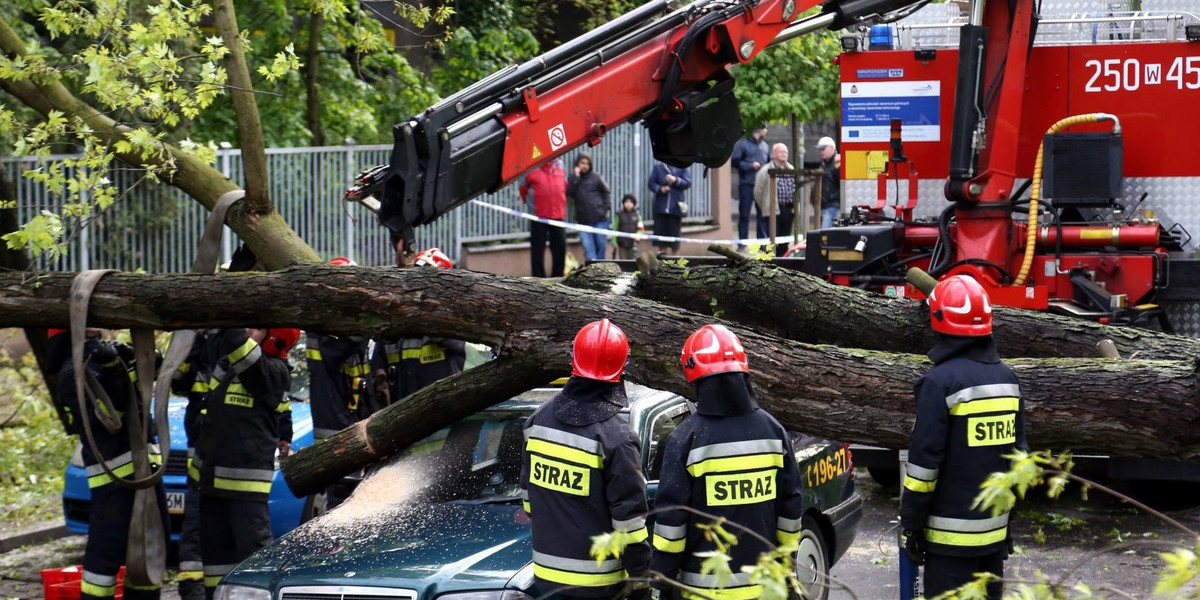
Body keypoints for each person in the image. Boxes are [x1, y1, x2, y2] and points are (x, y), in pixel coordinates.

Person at [651, 324, 806, 600]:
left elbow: (671, 526)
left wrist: (662, 584)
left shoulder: (685, 439)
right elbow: (791, 510)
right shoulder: (774, 431)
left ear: (693, 372)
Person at [900, 275, 1026, 600]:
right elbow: (1020, 460)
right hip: (994, 538)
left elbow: (923, 468)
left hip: (948, 544)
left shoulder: (939, 383)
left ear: (939, 320)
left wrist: (912, 526)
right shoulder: (1007, 380)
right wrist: (1008, 522)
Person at [519, 319, 651, 600]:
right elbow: (630, 525)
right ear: (622, 366)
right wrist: (641, 581)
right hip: (599, 582)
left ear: (573, 357)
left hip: (545, 576)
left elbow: (529, 500)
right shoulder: (617, 437)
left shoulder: (538, 420)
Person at [60, 331, 169, 600]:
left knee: (149, 554)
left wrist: (145, 361)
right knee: (104, 561)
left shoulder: (111, 358)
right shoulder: (72, 373)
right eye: (90, 331)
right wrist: (113, 368)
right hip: (114, 484)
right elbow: (112, 416)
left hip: (147, 477)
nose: (97, 336)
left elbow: (139, 393)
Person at [196, 327, 296, 598]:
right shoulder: (236, 366)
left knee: (254, 560)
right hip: (213, 483)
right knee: (215, 562)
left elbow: (234, 338)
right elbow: (218, 343)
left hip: (245, 488)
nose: (248, 331)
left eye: (256, 327)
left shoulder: (273, 371)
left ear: (272, 337)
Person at [371, 247, 467, 406]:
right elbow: (378, 371)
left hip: (442, 421)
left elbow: (444, 332)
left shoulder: (453, 321)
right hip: (399, 420)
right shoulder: (394, 326)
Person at [170, 330, 215, 600]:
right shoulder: (196, 347)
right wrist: (195, 343)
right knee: (195, 522)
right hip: (198, 450)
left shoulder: (233, 343)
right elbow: (178, 382)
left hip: (228, 450)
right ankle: (191, 587)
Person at [520, 158, 568, 277]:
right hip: (538, 217)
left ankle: (558, 277)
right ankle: (538, 278)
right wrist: (533, 207)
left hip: (558, 215)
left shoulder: (560, 165)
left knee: (560, 248)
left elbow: (564, 185)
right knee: (537, 249)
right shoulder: (531, 166)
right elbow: (523, 189)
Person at [753, 143, 797, 257]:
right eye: (781, 151)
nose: (784, 154)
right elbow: (758, 192)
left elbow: (796, 190)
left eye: (786, 151)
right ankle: (771, 263)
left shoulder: (791, 169)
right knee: (772, 240)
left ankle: (783, 263)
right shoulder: (766, 170)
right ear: (774, 154)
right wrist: (766, 206)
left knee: (785, 240)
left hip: (788, 210)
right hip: (773, 211)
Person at [567, 153, 612, 262]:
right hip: (583, 222)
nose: (585, 166)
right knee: (589, 251)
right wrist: (576, 178)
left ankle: (603, 275)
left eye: (587, 163)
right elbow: (569, 193)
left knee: (601, 249)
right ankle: (592, 275)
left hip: (600, 220)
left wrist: (604, 209)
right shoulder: (573, 179)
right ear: (577, 164)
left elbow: (606, 193)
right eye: (582, 163)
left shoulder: (596, 177)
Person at [730, 126, 770, 245]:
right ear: (759, 129)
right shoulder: (742, 143)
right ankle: (742, 243)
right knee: (744, 215)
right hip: (747, 184)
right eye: (765, 128)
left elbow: (769, 162)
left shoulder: (765, 146)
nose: (766, 131)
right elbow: (735, 161)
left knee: (762, 215)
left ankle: (761, 244)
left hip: (761, 186)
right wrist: (750, 166)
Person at [648, 162, 691, 255]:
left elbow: (687, 182)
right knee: (661, 238)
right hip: (660, 208)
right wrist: (660, 189)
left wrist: (676, 180)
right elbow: (651, 183)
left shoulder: (682, 166)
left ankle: (675, 262)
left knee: (674, 239)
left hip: (675, 208)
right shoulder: (658, 167)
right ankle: (663, 262)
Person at [817, 136, 841, 228]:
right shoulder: (823, 163)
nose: (821, 152)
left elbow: (842, 183)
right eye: (819, 149)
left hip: (833, 206)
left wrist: (838, 167)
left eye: (823, 149)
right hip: (824, 206)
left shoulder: (838, 162)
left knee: (825, 235)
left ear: (832, 148)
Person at [613, 194, 644, 260]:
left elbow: (641, 228)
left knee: (633, 261)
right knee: (623, 260)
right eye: (626, 202)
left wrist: (638, 235)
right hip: (622, 243)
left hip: (633, 244)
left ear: (634, 204)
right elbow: (615, 229)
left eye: (630, 202)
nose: (628, 204)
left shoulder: (637, 215)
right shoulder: (619, 214)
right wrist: (614, 241)